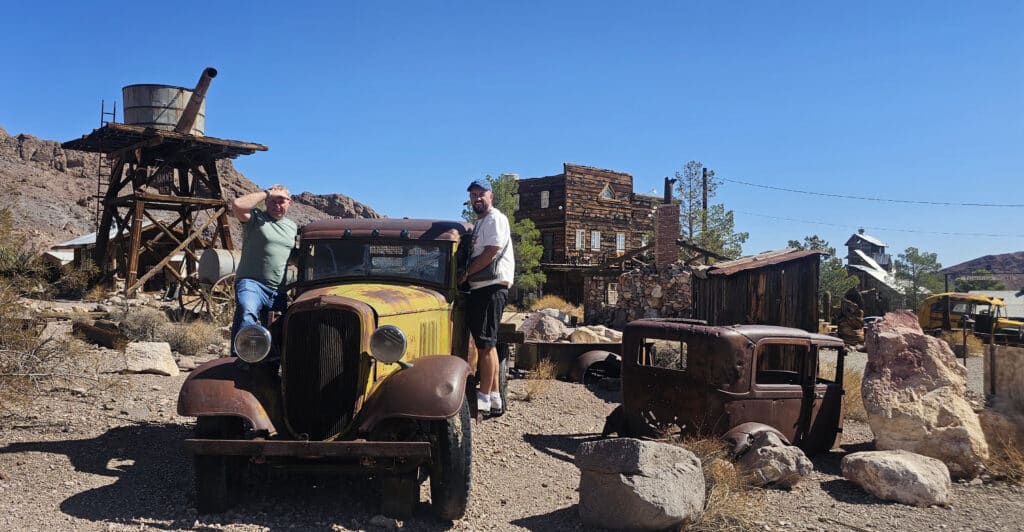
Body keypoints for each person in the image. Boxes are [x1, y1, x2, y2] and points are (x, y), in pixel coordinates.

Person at [458, 179, 515, 416]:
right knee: (484, 343)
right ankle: (493, 399)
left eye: (481, 194)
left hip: (492, 286)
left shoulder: (495, 219)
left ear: (491, 196)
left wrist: (466, 273)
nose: (477, 198)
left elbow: (491, 252)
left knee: (487, 344)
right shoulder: (480, 223)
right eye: (473, 195)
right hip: (482, 287)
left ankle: (483, 399)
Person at [229, 184, 298, 355]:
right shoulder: (255, 218)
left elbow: (290, 254)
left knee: (276, 329)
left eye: (281, 201)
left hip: (278, 290)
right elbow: (237, 205)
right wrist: (267, 193)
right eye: (272, 201)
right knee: (247, 310)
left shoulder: (292, 227)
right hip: (252, 283)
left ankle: (270, 369)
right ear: (266, 202)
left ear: (290, 203)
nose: (277, 205)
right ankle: (242, 358)